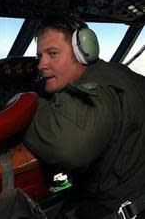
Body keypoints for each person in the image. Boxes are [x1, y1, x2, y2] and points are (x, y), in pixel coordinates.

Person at [23, 18, 145, 218]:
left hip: (127, 207)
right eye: (40, 56)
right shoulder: (117, 73)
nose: (41, 64)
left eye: (52, 54)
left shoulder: (100, 90)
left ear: (83, 52)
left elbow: (66, 146)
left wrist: (23, 105)